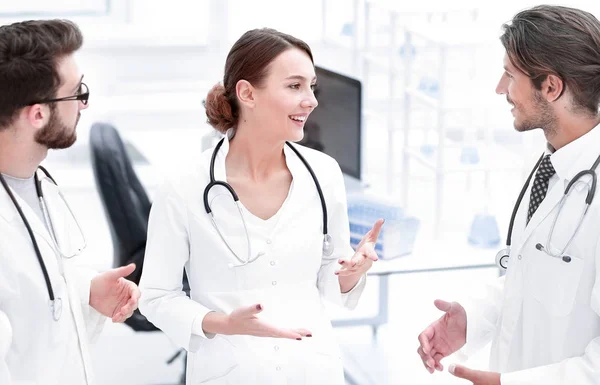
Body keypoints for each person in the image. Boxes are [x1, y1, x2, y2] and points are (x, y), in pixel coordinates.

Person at [139, 28, 384, 385]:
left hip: (312, 368)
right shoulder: (184, 187)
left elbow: (331, 277)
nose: (312, 100)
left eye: (312, 86)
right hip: (229, 370)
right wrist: (222, 323)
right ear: (247, 93)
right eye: (294, 86)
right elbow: (157, 297)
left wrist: (351, 273)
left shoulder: (323, 174)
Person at [416, 5, 600, 385]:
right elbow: (531, 276)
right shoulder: (553, 164)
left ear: (550, 86)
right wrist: (473, 320)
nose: (501, 89)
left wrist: (509, 384)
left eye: (509, 75)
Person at [0, 20, 140, 385]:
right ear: (38, 114)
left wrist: (88, 291)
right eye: (77, 93)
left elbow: (32, 287)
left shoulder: (37, 180)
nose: (83, 104)